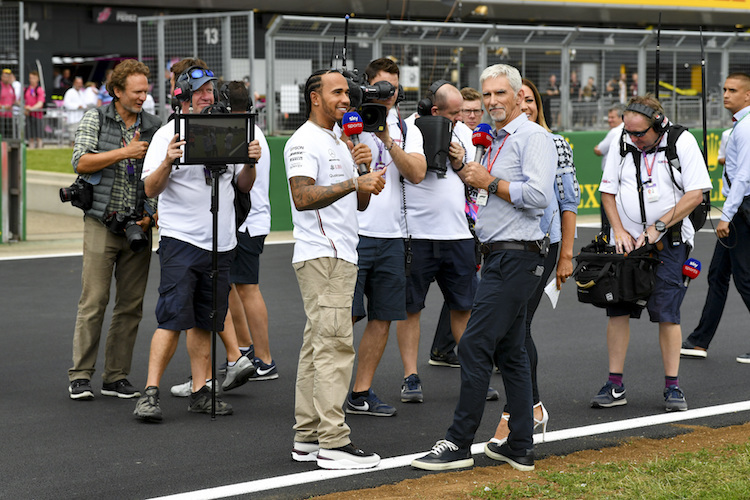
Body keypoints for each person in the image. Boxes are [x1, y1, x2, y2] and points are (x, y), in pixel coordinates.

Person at [411, 63, 555, 472]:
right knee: (510, 351)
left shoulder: (533, 137)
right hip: (498, 254)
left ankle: (458, 445)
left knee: (473, 345)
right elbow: (483, 186)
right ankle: (520, 446)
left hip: (517, 256)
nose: (492, 102)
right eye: (487, 95)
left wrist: (489, 181)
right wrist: (464, 165)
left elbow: (540, 195)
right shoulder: (493, 139)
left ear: (518, 95)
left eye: (500, 94)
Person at [132, 63, 261, 421]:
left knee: (207, 320)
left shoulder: (227, 129)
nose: (208, 97)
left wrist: (250, 163)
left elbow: (243, 186)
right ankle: (150, 393)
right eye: (201, 91)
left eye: (211, 91)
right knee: (172, 318)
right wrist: (168, 163)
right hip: (181, 240)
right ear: (185, 97)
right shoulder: (167, 134)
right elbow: (150, 189)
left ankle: (201, 389)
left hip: (221, 242)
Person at [285, 69, 385, 469]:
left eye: (348, 93)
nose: (347, 99)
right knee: (335, 347)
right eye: (338, 92)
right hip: (322, 256)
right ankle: (334, 443)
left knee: (316, 348)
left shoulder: (340, 141)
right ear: (315, 97)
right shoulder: (303, 140)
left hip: (340, 254)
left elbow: (356, 205)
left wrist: (361, 174)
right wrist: (352, 183)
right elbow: (302, 197)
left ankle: (308, 437)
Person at [593, 95, 712, 412]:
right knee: (618, 310)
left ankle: (673, 387)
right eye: (628, 132)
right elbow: (607, 192)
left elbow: (696, 193)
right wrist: (617, 229)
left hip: (669, 241)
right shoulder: (623, 139)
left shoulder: (681, 141)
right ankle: (614, 384)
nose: (633, 139)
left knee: (667, 313)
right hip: (627, 243)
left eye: (639, 134)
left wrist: (658, 226)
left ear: (658, 124)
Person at [489, 77, 579, 447]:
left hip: (544, 245)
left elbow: (568, 202)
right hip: (505, 246)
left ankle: (520, 412)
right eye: (518, 98)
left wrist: (567, 256)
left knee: (517, 328)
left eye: (529, 99)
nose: (524, 105)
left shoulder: (553, 142)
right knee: (513, 329)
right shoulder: (498, 141)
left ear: (538, 104)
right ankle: (529, 409)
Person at [67, 59, 162, 401]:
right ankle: (80, 375)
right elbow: (80, 161)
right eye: (136, 91)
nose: (143, 97)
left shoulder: (155, 125)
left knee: (130, 306)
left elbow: (161, 178)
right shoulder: (96, 117)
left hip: (138, 225)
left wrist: (149, 217)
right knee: (94, 301)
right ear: (117, 91)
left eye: (145, 90)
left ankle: (116, 376)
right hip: (100, 222)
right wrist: (126, 152)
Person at [344, 58, 427, 417]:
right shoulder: (347, 121)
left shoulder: (408, 129)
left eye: (393, 88)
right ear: (365, 86)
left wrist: (387, 141)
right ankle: (328, 391)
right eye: (380, 87)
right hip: (352, 234)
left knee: (383, 317)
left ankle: (360, 393)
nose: (387, 95)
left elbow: (418, 173)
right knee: (342, 318)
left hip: (393, 236)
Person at [397, 80, 477, 404]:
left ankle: (474, 375)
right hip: (415, 234)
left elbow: (476, 179)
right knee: (410, 308)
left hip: (458, 235)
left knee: (464, 307)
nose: (462, 118)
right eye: (455, 113)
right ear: (435, 111)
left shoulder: (467, 136)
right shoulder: (407, 132)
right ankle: (410, 377)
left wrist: (458, 161)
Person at [680, 73, 750, 364]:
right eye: (724, 89)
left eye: (732, 90)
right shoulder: (739, 127)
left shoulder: (745, 129)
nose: (725, 95)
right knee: (718, 275)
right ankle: (699, 341)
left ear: (748, 96)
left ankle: (699, 340)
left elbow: (743, 177)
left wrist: (727, 216)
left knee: (744, 277)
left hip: (742, 211)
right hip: (741, 209)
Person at [225, 80, 279, 381]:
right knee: (233, 288)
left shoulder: (245, 133)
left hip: (247, 222)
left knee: (247, 288)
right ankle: (245, 350)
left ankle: (265, 358)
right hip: (245, 221)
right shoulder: (248, 129)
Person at [594, 103, 626, 234]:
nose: (610, 120)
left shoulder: (615, 132)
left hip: (613, 178)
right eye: (609, 117)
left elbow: (598, 150)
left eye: (613, 117)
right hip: (623, 178)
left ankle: (606, 235)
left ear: (621, 117)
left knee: (607, 206)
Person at [24, 70, 46, 149]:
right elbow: (21, 101)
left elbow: (40, 103)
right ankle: (31, 148)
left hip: (38, 116)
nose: (31, 80)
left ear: (37, 79)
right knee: (30, 135)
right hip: (28, 115)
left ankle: (39, 148)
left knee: (38, 135)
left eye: (33, 78)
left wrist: (31, 108)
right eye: (30, 78)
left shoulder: (39, 89)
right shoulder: (26, 89)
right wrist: (25, 107)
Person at [63, 76, 87, 142]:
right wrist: (77, 106)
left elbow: (84, 103)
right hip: (73, 119)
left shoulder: (82, 93)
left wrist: (84, 107)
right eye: (78, 83)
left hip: (81, 118)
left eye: (80, 83)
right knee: (73, 137)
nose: (79, 85)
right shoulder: (70, 92)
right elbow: (66, 103)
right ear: (74, 83)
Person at [0, 68, 15, 139]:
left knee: (9, 136)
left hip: (9, 115)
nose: (7, 78)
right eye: (5, 76)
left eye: (8, 76)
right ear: (2, 77)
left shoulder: (11, 87)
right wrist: (3, 107)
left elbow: (14, 99)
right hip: (1, 115)